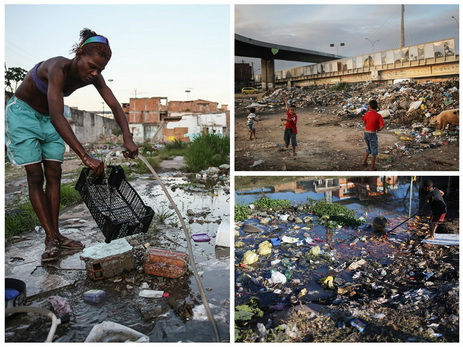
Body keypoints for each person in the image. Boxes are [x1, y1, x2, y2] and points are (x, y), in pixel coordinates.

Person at [5, 28, 138, 262]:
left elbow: (115, 106)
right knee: (35, 176)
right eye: (91, 66)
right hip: (24, 115)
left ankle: (56, 235)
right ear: (79, 54)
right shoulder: (57, 67)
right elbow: (59, 115)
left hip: (49, 119)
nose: (94, 73)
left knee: (54, 173)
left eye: (100, 69)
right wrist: (85, 156)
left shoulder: (95, 76)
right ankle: (50, 238)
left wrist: (127, 137)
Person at [361, 99, 384, 170]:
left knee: (368, 147)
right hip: (372, 133)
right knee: (374, 149)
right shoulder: (378, 115)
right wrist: (378, 130)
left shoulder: (367, 114)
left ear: (369, 107)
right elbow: (382, 126)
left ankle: (364, 162)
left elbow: (363, 122)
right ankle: (372, 167)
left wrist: (367, 126)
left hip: (366, 132)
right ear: (377, 107)